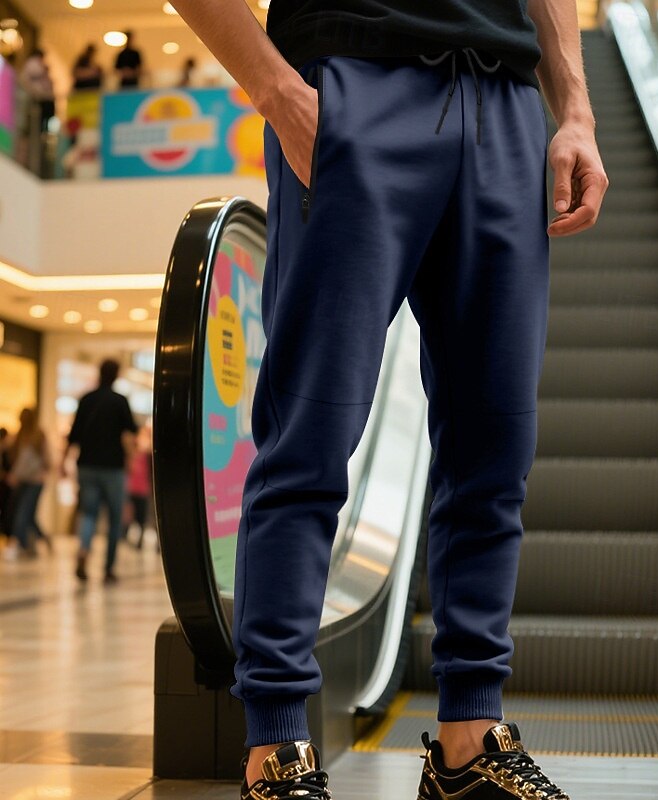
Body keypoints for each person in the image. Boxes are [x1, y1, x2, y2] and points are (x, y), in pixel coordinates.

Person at [170, 2, 608, 799]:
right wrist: (275, 90)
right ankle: (277, 750)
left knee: (494, 449)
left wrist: (574, 110)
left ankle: (468, 744)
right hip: (351, 81)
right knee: (310, 433)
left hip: (506, 105)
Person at [62, 359, 138, 583]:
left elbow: (74, 435)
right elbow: (129, 433)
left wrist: (63, 460)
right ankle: (108, 568)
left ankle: (84, 551)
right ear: (116, 375)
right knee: (114, 518)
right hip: (113, 468)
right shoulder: (119, 401)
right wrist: (131, 459)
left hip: (87, 465)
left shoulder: (87, 399)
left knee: (88, 513)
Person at [3, 409, 51, 561]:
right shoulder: (20, 436)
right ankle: (40, 541)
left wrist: (44, 471)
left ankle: (22, 545)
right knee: (28, 515)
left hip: (35, 480)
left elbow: (45, 457)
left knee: (23, 513)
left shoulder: (38, 435)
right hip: (23, 479)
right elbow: (17, 459)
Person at [124, 428, 152, 549]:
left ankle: (139, 541)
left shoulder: (148, 456)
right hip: (131, 489)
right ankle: (124, 537)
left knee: (141, 518)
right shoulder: (131, 454)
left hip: (143, 490)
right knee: (128, 516)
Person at [20, 48, 56, 133]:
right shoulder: (33, 62)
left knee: (44, 116)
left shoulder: (37, 63)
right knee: (39, 117)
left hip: (43, 95)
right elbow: (34, 73)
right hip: (38, 96)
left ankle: (43, 131)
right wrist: (44, 68)